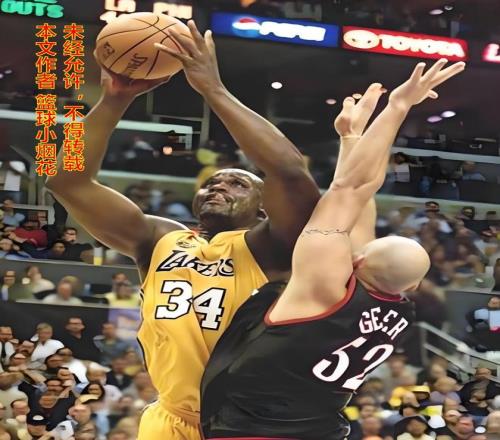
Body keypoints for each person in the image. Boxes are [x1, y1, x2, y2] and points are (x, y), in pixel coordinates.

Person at [45, 20, 319, 440]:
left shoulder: (275, 246)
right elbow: (67, 181)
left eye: (237, 184)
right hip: (169, 418)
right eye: (211, 183)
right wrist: (114, 99)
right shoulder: (159, 239)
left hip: (245, 424)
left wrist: (214, 90)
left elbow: (289, 171)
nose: (218, 187)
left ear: (264, 207)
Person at [201, 59, 465, 439]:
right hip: (319, 429)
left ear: (359, 259)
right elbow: (356, 210)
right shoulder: (400, 310)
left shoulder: (324, 286)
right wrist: (351, 139)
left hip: (252, 430)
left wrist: (398, 106)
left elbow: (351, 190)